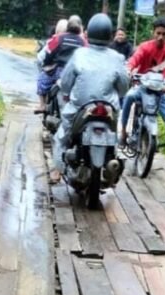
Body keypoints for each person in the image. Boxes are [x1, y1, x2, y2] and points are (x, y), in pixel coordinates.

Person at [51, 13, 129, 183]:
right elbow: (124, 89)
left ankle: (58, 169)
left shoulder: (79, 54)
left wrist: (69, 90)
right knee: (115, 136)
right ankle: (114, 159)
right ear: (110, 35)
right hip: (108, 109)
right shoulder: (117, 58)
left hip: (79, 107)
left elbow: (66, 85)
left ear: (88, 33)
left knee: (62, 136)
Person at [120, 17, 165, 172]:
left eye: (164, 34)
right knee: (129, 97)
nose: (161, 37)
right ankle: (123, 132)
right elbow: (134, 59)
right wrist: (129, 69)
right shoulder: (145, 47)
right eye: (158, 33)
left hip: (162, 92)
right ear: (153, 32)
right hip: (143, 88)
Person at [36, 19, 70, 111]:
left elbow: (43, 57)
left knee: (41, 80)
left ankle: (42, 105)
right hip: (69, 73)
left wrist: (45, 63)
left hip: (55, 71)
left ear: (57, 32)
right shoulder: (75, 42)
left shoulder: (55, 40)